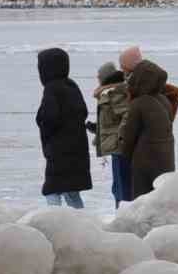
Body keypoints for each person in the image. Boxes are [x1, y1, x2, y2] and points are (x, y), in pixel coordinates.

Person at [36, 47, 91, 208]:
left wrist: (42, 123)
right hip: (77, 149)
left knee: (52, 189)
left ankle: (54, 220)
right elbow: (83, 112)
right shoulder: (72, 85)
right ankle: (83, 221)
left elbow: (48, 118)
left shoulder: (52, 89)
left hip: (59, 151)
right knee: (71, 190)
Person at [119, 59, 176, 199]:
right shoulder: (164, 100)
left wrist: (125, 155)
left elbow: (129, 136)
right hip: (167, 157)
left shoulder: (139, 103)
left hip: (145, 160)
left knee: (142, 200)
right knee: (161, 199)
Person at [92, 61, 132, 206]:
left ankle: (124, 217)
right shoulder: (108, 92)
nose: (97, 78)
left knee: (122, 188)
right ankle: (120, 213)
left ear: (105, 77)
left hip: (120, 147)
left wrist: (120, 137)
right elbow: (113, 120)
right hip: (116, 146)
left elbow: (126, 115)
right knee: (117, 187)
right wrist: (97, 129)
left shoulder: (114, 92)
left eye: (99, 76)